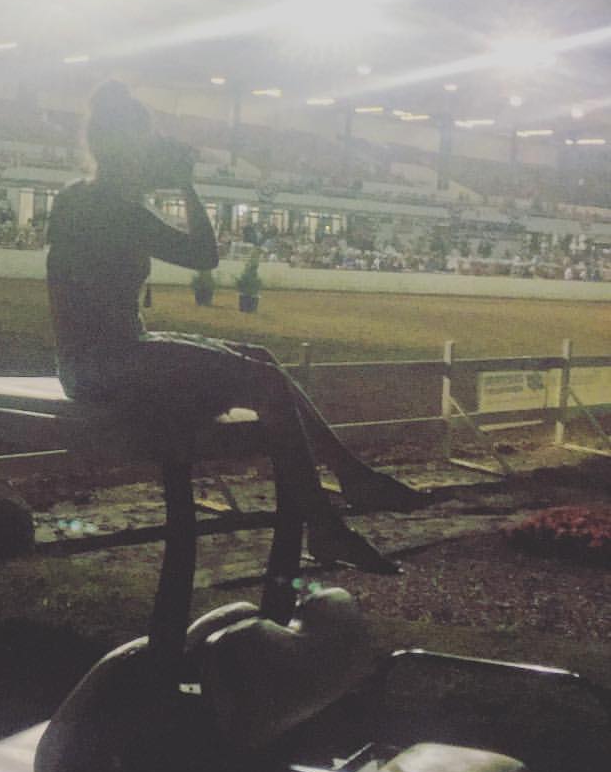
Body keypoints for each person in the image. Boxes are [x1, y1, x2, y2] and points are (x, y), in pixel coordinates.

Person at [46, 81, 427, 586]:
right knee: (265, 381)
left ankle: (348, 481)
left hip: (92, 360)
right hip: (109, 361)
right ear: (129, 147)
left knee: (261, 358)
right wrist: (185, 184)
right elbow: (204, 256)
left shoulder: (81, 199)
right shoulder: (116, 208)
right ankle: (328, 517)